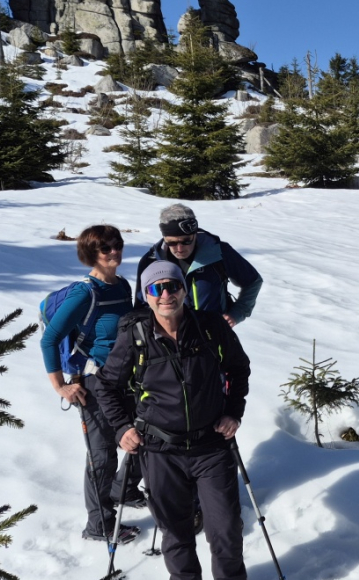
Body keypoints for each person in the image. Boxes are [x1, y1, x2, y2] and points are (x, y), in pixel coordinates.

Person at [95, 261, 252, 580]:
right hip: (160, 450)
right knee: (176, 536)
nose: (166, 294)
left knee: (226, 533)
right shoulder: (136, 334)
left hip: (211, 446)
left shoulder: (210, 326)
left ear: (183, 289)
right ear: (146, 296)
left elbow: (238, 368)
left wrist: (233, 412)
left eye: (173, 286)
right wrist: (123, 427)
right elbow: (106, 385)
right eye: (156, 288)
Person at [38, 224, 143, 543]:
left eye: (117, 245)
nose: (114, 252)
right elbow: (50, 338)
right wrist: (60, 386)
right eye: (105, 248)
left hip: (128, 378)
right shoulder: (86, 292)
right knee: (102, 455)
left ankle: (122, 490)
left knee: (143, 437)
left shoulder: (122, 285)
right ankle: (99, 524)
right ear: (90, 254)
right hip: (94, 383)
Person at [135, 203, 263, 329]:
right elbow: (141, 305)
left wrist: (237, 313)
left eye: (186, 241)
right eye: (172, 242)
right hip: (169, 340)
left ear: (195, 234)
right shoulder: (151, 261)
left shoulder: (218, 252)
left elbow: (253, 281)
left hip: (214, 337)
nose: (179, 248)